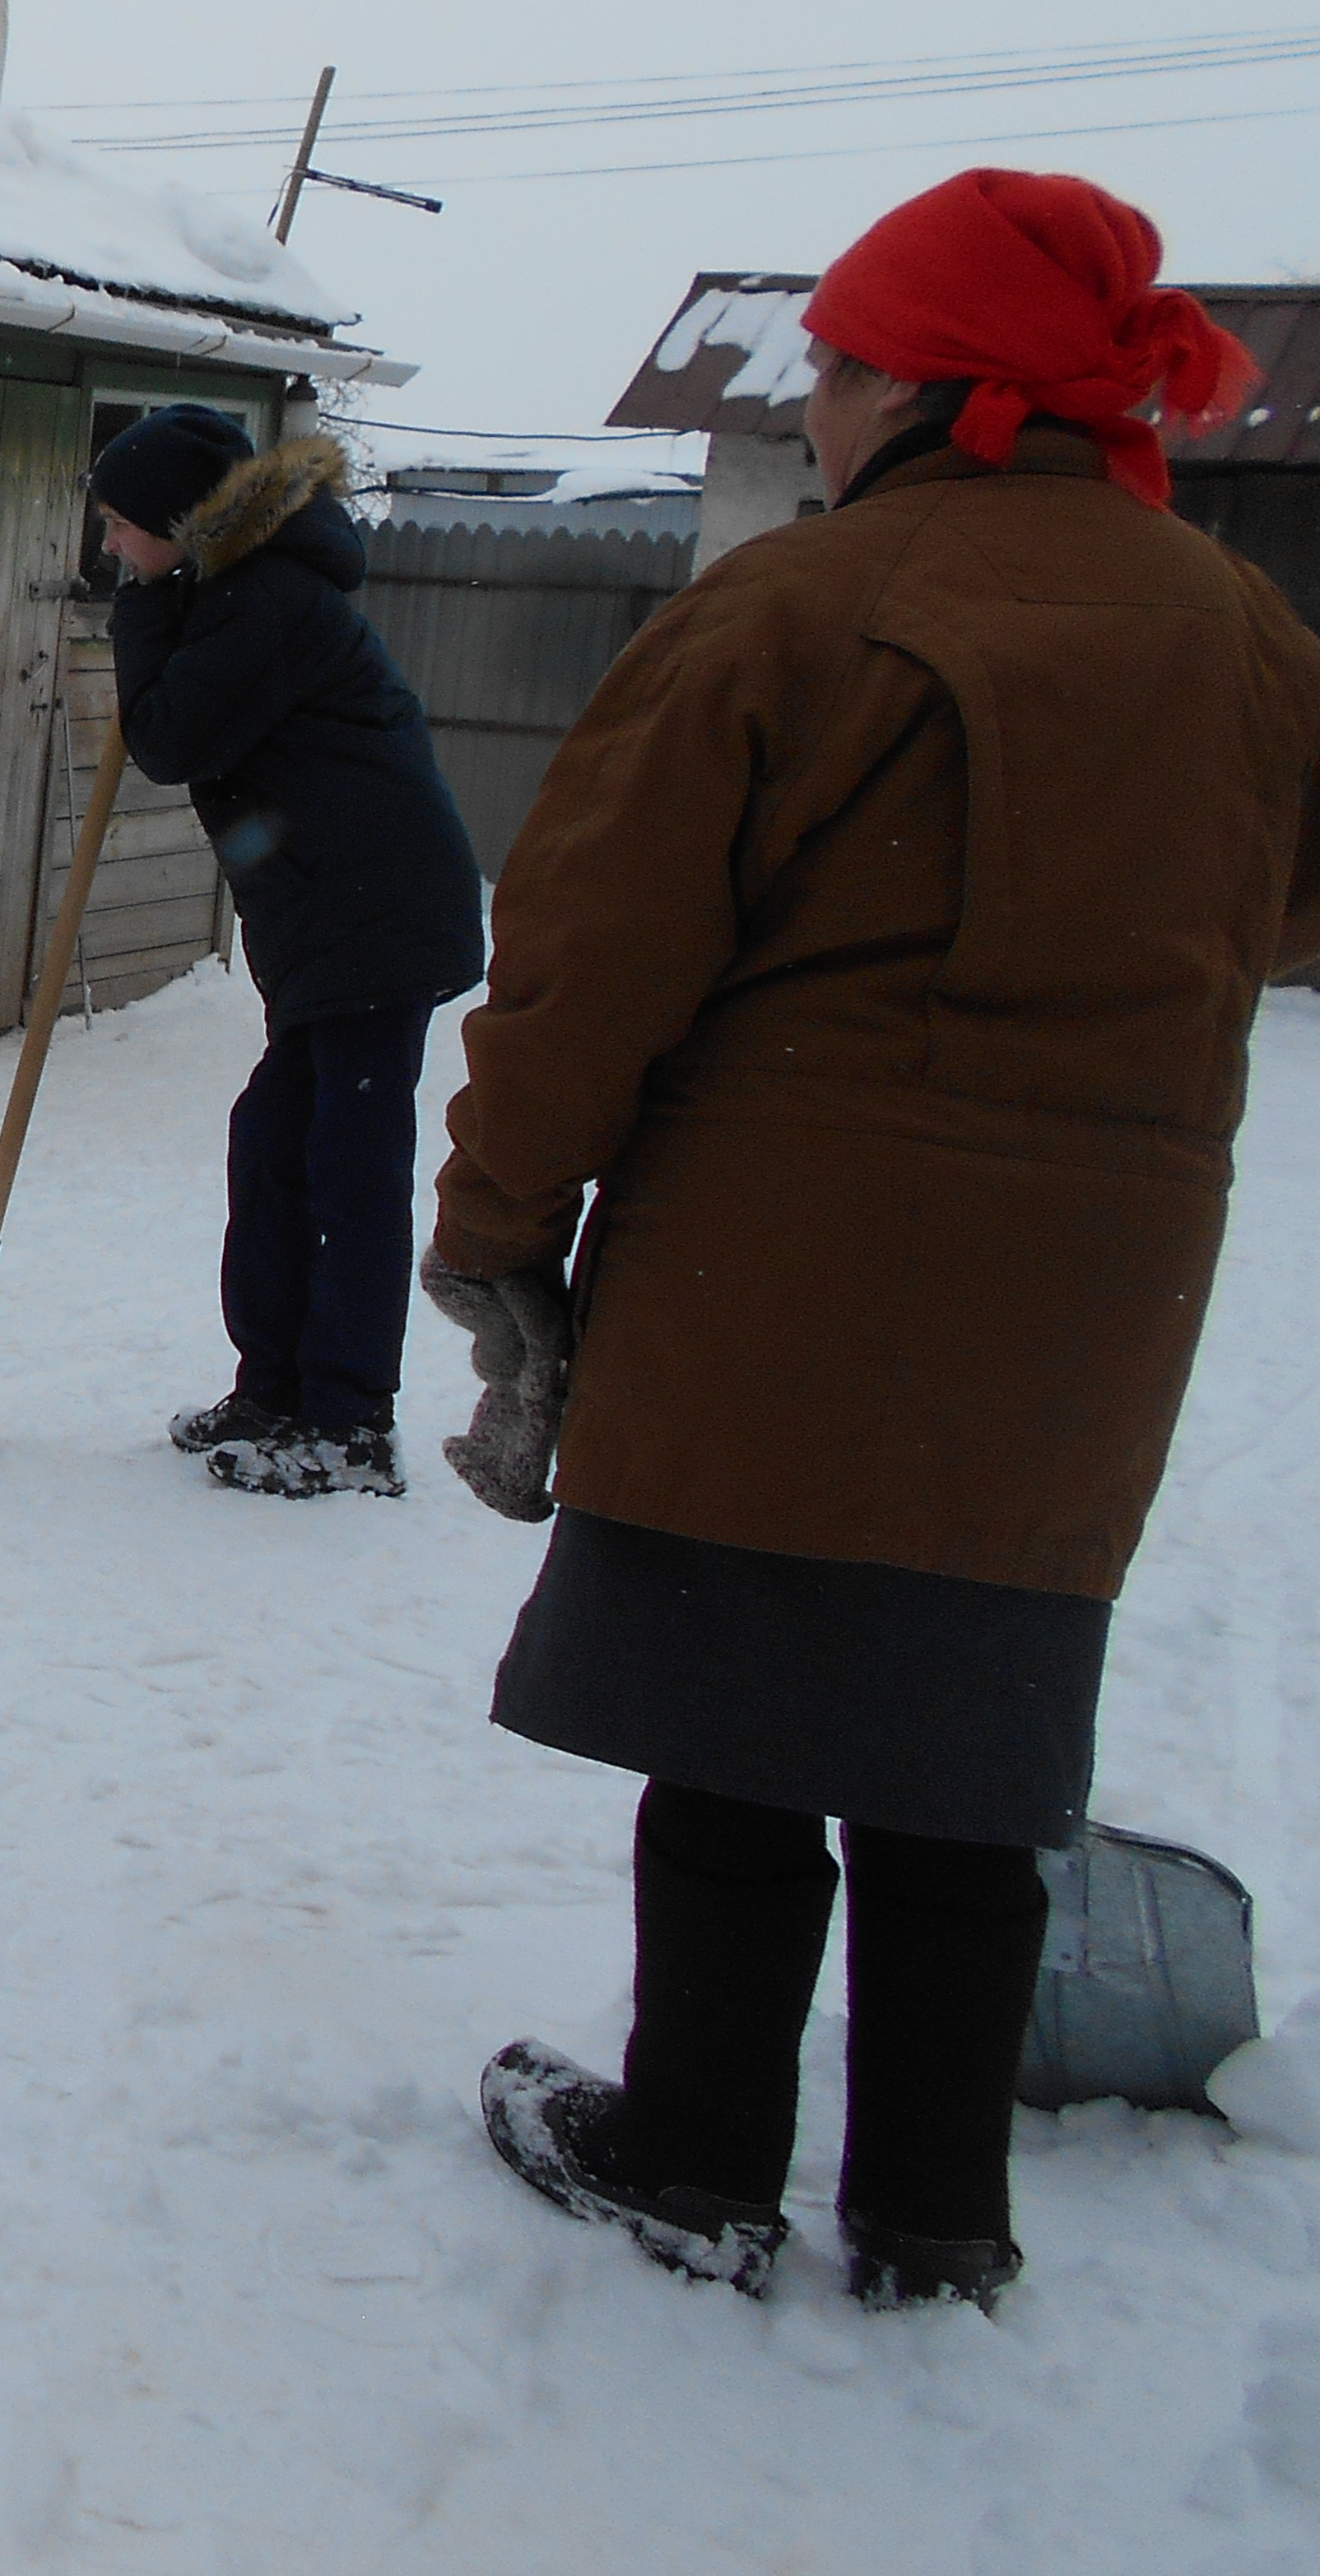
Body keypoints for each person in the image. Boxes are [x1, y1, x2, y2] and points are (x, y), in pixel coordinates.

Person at [425, 170, 1320, 2314]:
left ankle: (700, 2154)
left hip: (779, 1272)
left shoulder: (800, 613)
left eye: (832, 362)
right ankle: (933, 2213)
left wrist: (498, 1228)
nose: (814, 400)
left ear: (931, 382)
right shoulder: (1246, 639)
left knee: (735, 1746)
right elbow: (1273, 919)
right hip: (1087, 1306)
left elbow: (590, 961)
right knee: (963, 1758)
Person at [95, 406, 484, 1498]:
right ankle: (277, 1388)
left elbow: (169, 738)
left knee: (346, 1168)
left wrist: (144, 607)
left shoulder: (264, 600)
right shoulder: (237, 593)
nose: (114, 548)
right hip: (332, 911)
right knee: (278, 1144)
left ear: (180, 523)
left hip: (373, 914)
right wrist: (162, 597)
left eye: (125, 528)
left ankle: (350, 1423)